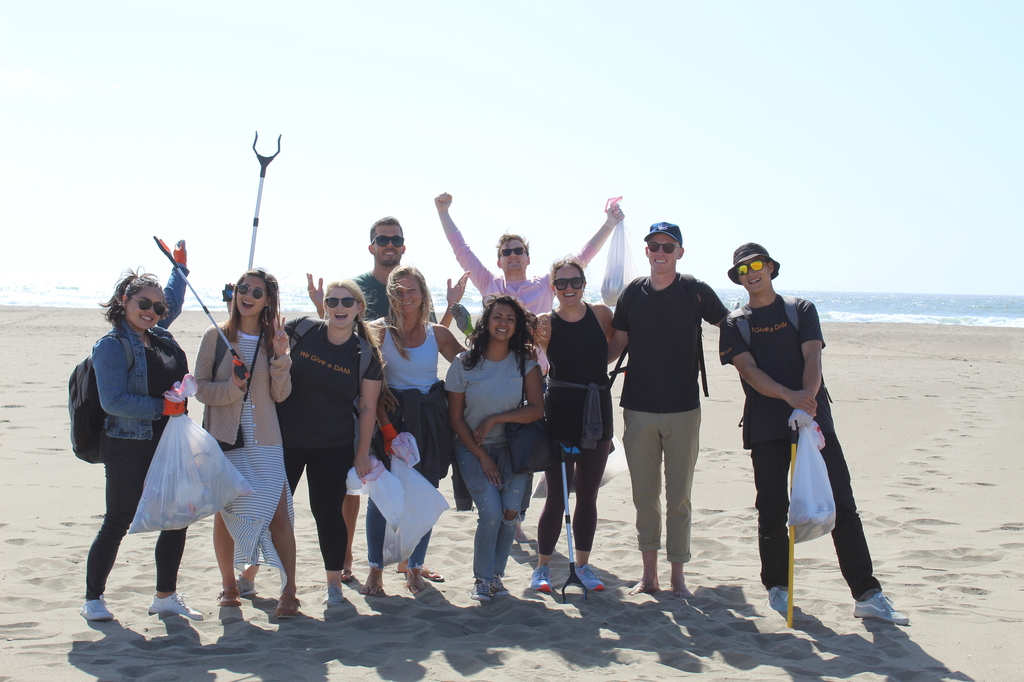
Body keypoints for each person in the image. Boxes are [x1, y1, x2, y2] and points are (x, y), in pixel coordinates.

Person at [718, 242, 909, 624]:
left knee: (841, 505)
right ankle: (778, 587)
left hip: (814, 421)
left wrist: (805, 403)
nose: (751, 272)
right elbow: (748, 371)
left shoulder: (800, 309)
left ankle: (867, 594)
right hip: (767, 425)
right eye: (743, 269)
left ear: (771, 268)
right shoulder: (734, 323)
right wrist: (789, 397)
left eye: (757, 264)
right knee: (771, 509)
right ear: (738, 278)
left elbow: (813, 356)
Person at [435, 192, 624, 541]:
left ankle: (518, 516)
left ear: (527, 257)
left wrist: (610, 223)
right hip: (499, 378)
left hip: (539, 380)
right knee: (501, 445)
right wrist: (443, 212)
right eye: (506, 252)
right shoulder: (491, 285)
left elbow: (581, 258)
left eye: (518, 250)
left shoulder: (545, 287)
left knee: (532, 447)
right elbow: (461, 250)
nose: (512, 256)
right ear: (499, 260)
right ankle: (509, 512)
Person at [304, 216, 439, 581]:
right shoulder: (360, 289)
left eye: (395, 239)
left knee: (416, 487)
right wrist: (323, 311)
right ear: (372, 246)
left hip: (421, 416)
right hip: (378, 410)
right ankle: (352, 560)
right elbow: (344, 334)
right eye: (382, 239)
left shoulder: (425, 312)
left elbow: (456, 351)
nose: (389, 244)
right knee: (364, 489)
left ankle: (410, 562)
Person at [82, 242, 204, 622]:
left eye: (156, 307)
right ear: (124, 300)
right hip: (127, 445)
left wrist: (179, 270)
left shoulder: (160, 335)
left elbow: (172, 301)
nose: (152, 311)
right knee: (118, 520)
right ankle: (93, 599)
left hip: (170, 441)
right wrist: (161, 408)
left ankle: (165, 595)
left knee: (177, 518)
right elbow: (112, 401)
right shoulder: (112, 346)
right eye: (143, 304)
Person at [609, 222, 729, 597]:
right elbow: (617, 343)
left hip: (683, 409)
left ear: (679, 252)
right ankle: (649, 576)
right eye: (654, 246)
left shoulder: (694, 291)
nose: (660, 253)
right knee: (645, 497)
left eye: (668, 246)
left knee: (679, 497)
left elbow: (730, 323)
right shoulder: (633, 293)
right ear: (646, 251)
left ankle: (678, 577)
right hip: (638, 408)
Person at [194, 269, 299, 618]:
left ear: (268, 300)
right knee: (226, 515)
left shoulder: (274, 339)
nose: (248, 295)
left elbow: (282, 396)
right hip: (227, 441)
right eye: (242, 289)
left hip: (267, 441)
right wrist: (233, 389)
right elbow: (200, 389)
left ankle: (289, 590)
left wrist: (282, 357)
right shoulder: (216, 337)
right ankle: (229, 586)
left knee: (278, 513)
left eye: (257, 291)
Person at [276, 280, 385, 606]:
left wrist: (362, 452)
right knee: (275, 513)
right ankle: (280, 584)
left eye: (347, 302)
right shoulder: (300, 330)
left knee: (328, 514)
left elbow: (367, 407)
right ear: (324, 305)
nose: (339, 307)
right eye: (333, 301)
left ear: (358, 308)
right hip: (286, 441)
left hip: (333, 444)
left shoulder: (366, 354)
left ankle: (334, 584)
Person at [360, 265, 464, 595]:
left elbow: (471, 367)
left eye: (411, 291)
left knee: (424, 496)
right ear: (390, 294)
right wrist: (386, 428)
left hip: (429, 420)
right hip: (388, 417)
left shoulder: (439, 333)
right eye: (398, 291)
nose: (405, 297)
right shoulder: (378, 331)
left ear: (422, 295)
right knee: (381, 497)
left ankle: (414, 568)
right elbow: (365, 381)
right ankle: (376, 570)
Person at [445, 295, 543, 602]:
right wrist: (483, 454)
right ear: (486, 322)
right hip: (473, 449)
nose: (503, 323)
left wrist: (496, 419)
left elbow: (537, 410)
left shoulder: (525, 364)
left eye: (510, 319)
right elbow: (455, 418)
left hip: (514, 449)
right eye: (497, 317)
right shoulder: (464, 364)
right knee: (490, 513)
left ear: (516, 327)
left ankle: (495, 577)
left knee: (510, 514)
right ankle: (481, 579)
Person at [530, 257, 617, 594]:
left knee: (589, 496)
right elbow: (536, 363)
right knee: (557, 496)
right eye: (561, 283)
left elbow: (614, 347)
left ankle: (582, 566)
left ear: (584, 283)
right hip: (561, 411)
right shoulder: (544, 323)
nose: (569, 289)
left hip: (598, 409)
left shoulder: (601, 314)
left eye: (575, 282)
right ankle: (542, 568)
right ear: (553, 288)